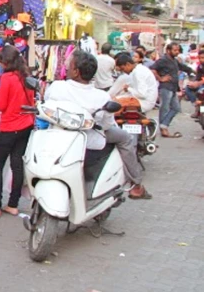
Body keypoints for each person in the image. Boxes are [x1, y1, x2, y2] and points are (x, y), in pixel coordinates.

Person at [47, 51, 152, 200]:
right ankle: (136, 185)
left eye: (68, 65)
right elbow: (107, 124)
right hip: (90, 140)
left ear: (76, 71)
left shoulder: (57, 87)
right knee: (126, 138)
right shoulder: (101, 97)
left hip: (58, 139)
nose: (66, 67)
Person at [0, 46, 35, 219]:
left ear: (5, 62)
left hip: (8, 127)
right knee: (17, 165)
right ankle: (13, 205)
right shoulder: (27, 77)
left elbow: (1, 105)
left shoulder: (7, 78)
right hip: (25, 126)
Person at [151, 43, 193, 138]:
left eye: (178, 50)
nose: (177, 52)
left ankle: (164, 125)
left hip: (173, 87)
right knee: (164, 108)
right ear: (168, 50)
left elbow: (183, 67)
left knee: (176, 108)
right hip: (166, 87)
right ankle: (163, 129)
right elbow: (153, 69)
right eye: (174, 50)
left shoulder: (174, 60)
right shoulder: (163, 60)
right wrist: (160, 78)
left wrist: (192, 71)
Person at [184, 49, 204, 117]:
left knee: (201, 93)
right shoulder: (200, 66)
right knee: (188, 88)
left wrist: (198, 83)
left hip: (202, 85)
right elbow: (198, 78)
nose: (201, 60)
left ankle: (201, 111)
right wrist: (193, 83)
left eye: (203, 58)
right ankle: (195, 105)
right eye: (200, 58)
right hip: (201, 84)